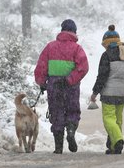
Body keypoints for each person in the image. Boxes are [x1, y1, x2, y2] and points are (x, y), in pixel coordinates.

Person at [34, 19, 89, 154]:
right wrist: (70, 79)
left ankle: (58, 147)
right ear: (74, 32)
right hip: (71, 86)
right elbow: (83, 68)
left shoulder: (50, 47)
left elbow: (41, 66)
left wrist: (42, 83)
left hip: (54, 85)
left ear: (62, 30)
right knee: (72, 111)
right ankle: (70, 131)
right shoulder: (77, 49)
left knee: (57, 113)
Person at [90, 25, 124, 154]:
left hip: (108, 92)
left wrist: (95, 92)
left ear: (106, 43)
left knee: (108, 118)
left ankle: (118, 140)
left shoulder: (107, 55)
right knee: (118, 119)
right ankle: (114, 147)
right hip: (122, 93)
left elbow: (102, 76)